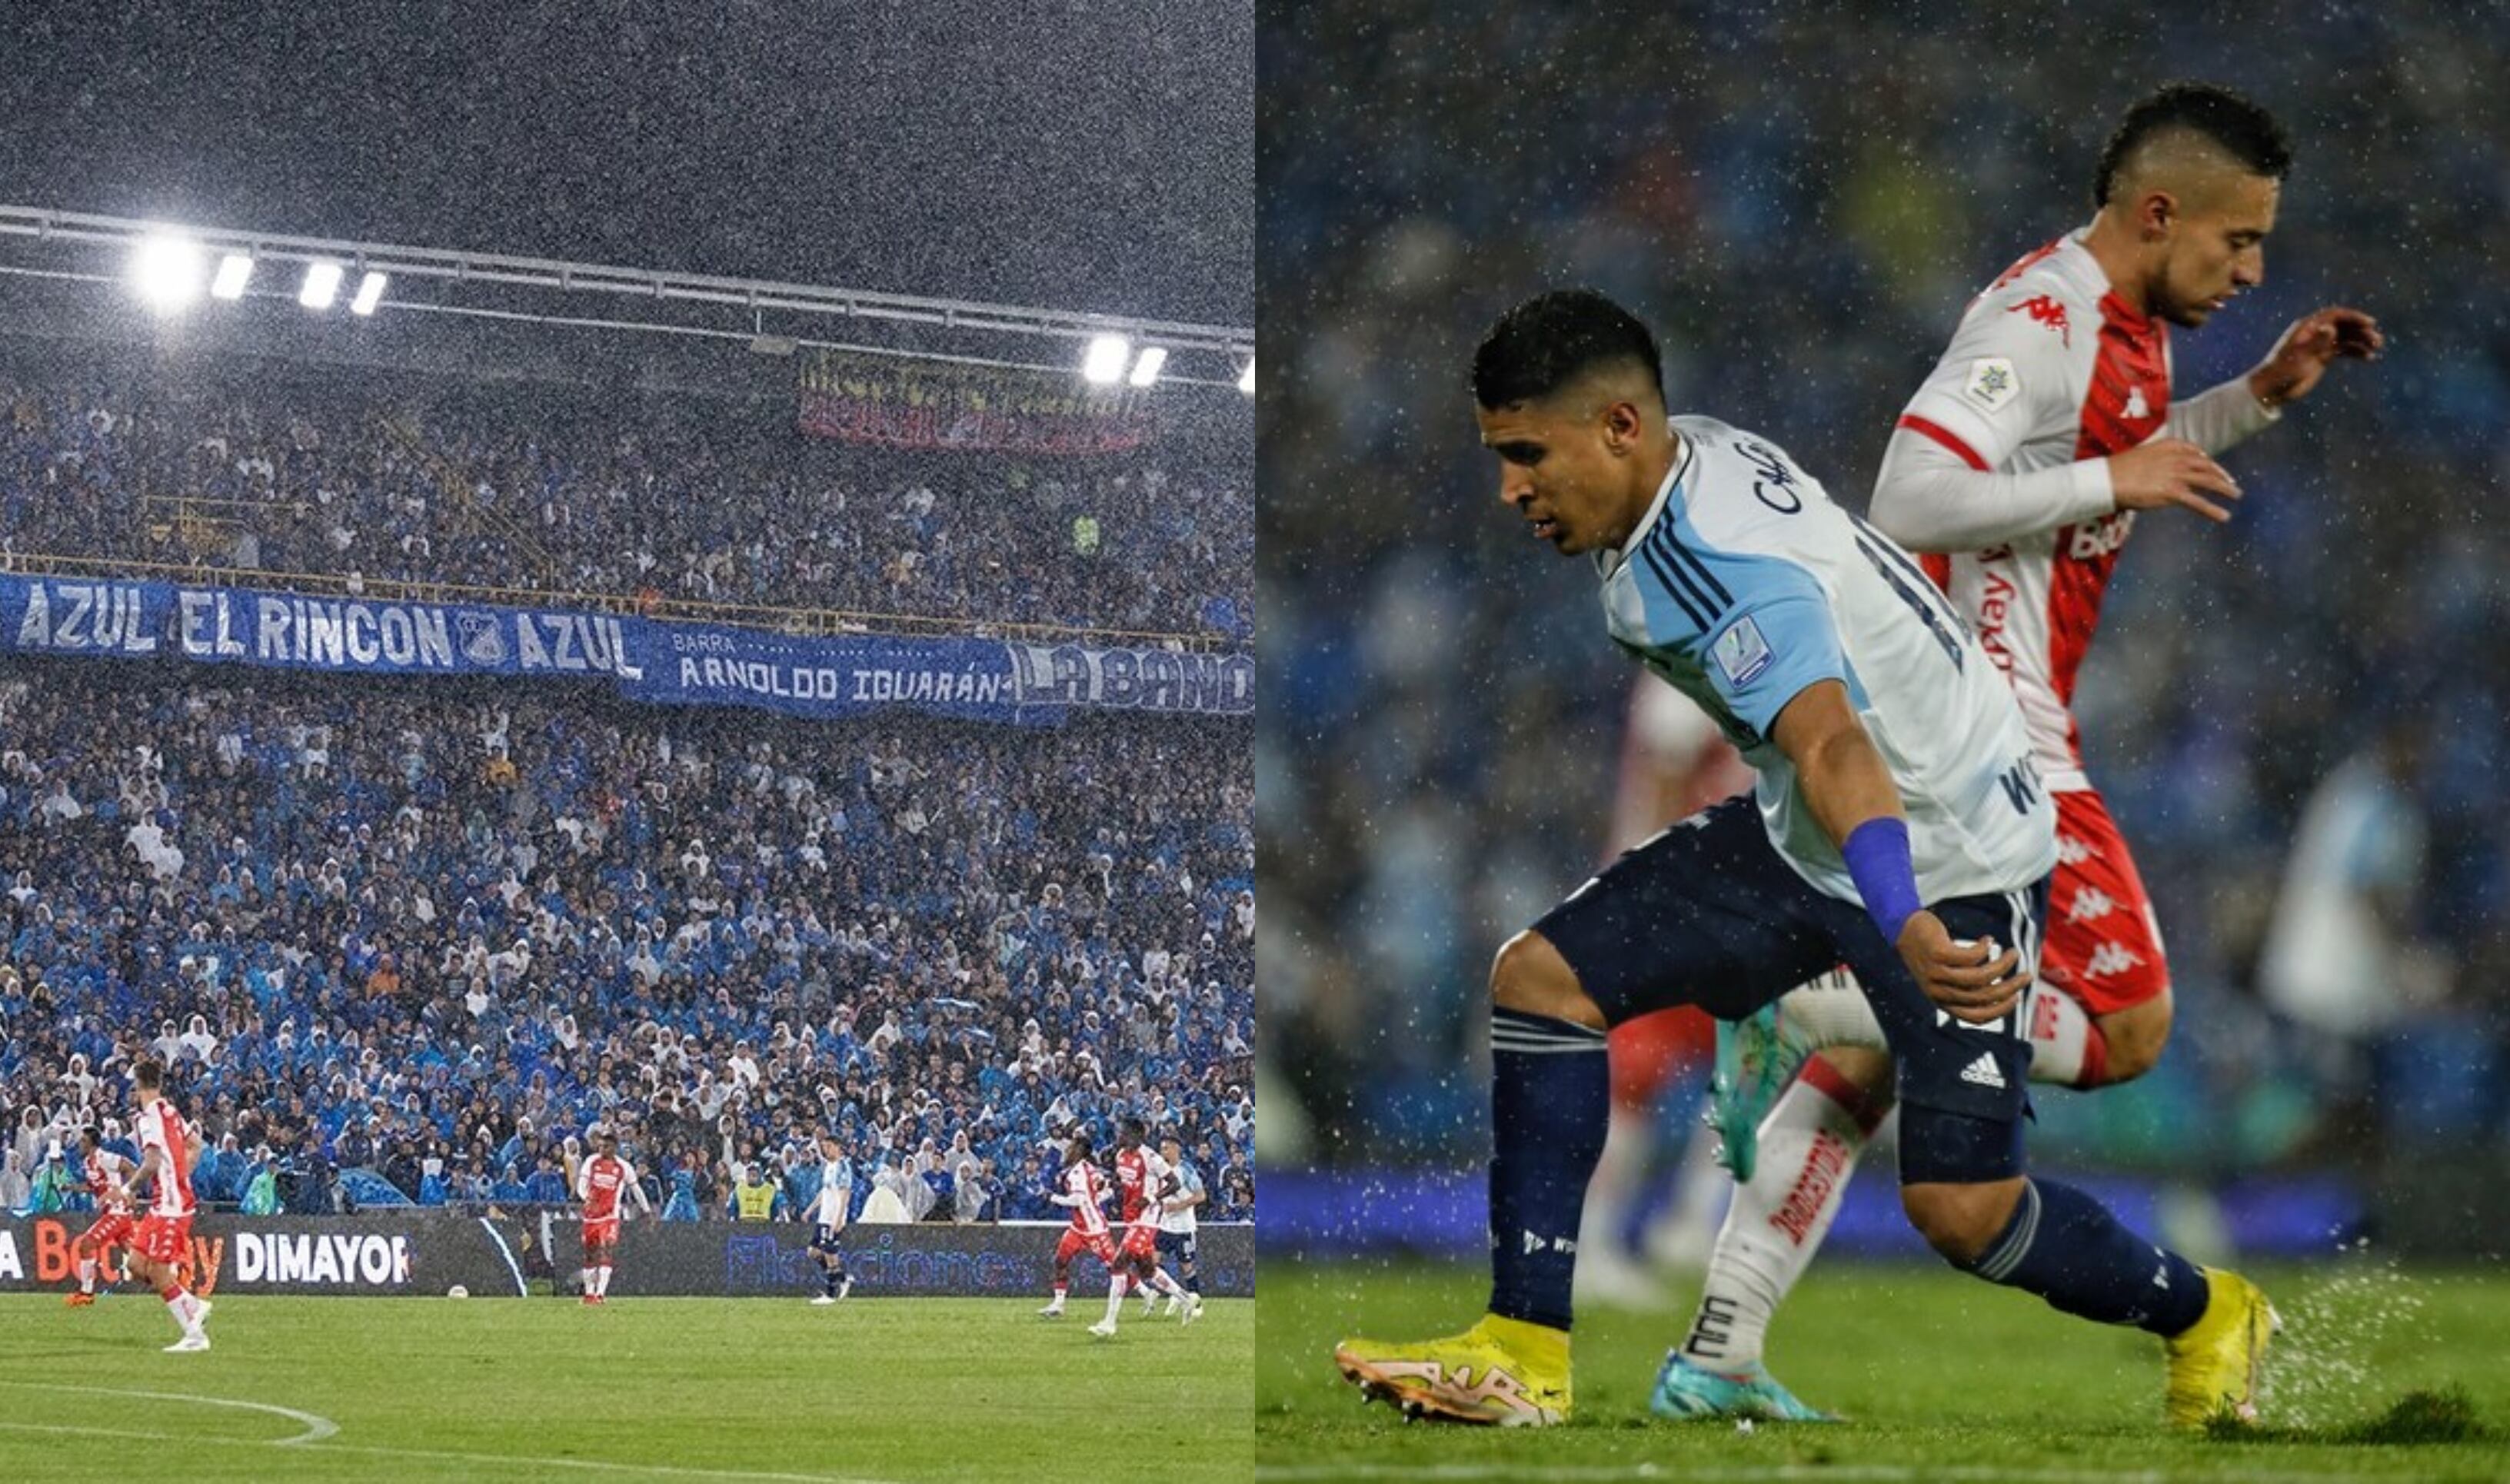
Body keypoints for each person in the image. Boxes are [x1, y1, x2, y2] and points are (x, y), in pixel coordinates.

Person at [1330, 290, 2272, 1429]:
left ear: (1623, 427)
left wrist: (1909, 921)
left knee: (1965, 1211)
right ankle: (1525, 1350)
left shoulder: (1713, 562)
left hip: (1949, 854)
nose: (1511, 488)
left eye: (1528, 454)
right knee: (1542, 978)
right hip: (1808, 828)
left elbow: (1835, 741)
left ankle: (2211, 1310)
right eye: (1499, 455)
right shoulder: (1691, 460)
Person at [1657, 81, 2379, 1422]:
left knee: (1882, 1069)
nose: (2251, 268)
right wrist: (2115, 481)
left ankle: (1718, 1346)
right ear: (2156, 213)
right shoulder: (2039, 322)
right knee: (2124, 1026)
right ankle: (1813, 995)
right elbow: (1906, 490)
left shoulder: (2133, 331)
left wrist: (2254, 401)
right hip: (1992, 745)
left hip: (1984, 725)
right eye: (2235, 242)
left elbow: (2128, 460)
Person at [118, 1060, 212, 1352]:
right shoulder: (171, 1111)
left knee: (158, 1272)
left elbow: (152, 1163)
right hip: (164, 1203)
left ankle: (195, 1336)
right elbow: (195, 1144)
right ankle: (192, 1304)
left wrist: (127, 1188)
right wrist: (181, 1175)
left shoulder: (146, 1119)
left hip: (172, 1206)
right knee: (135, 1264)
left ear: (137, 1086)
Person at [1100, 1121, 1192, 1336]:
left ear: (1135, 1135)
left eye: (1123, 1132)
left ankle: (1109, 1323)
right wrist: (1107, 1185)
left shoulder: (1151, 1158)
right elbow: (1123, 1181)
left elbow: (1175, 1184)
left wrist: (1150, 1198)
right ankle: (1186, 1300)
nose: (1119, 1136)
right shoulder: (1121, 1155)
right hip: (1132, 1216)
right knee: (1147, 1270)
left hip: (1148, 1218)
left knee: (1118, 1264)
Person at [1036, 1130, 1114, 1319]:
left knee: (1115, 1268)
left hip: (1094, 1228)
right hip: (1079, 1227)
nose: (1068, 1150)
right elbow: (1107, 1191)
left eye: (1072, 1146)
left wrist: (1052, 1197)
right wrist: (1097, 1198)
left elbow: (1077, 1200)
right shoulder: (1090, 1169)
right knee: (1060, 1260)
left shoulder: (1078, 1172)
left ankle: (1145, 1291)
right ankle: (1058, 1304)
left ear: (1079, 1150)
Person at [65, 1125, 140, 1307]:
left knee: (86, 1244)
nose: (79, 1144)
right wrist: (71, 1187)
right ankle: (173, 1277)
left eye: (83, 1140)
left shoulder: (104, 1157)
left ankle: (86, 1292)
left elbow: (131, 1168)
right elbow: (93, 1187)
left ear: (92, 1143)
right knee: (136, 1260)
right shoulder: (88, 1163)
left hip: (117, 1212)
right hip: (115, 1213)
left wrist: (129, 1193)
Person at [576, 1126, 651, 1305]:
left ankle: (600, 1294)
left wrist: (646, 1210)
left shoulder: (623, 1167)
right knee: (589, 1255)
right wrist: (586, 1198)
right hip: (590, 1216)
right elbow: (582, 1184)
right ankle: (589, 1294)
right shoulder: (591, 1162)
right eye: (601, 1146)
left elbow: (636, 1190)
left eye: (607, 1147)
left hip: (610, 1216)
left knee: (606, 1250)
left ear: (615, 1148)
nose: (602, 1150)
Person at [1153, 1133, 1207, 1322]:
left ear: (1176, 1149)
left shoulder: (1186, 1170)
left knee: (1187, 1267)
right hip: (1165, 1225)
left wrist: (1178, 1206)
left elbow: (1201, 1196)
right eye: (1161, 1148)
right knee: (1153, 1263)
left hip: (1184, 1227)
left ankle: (1197, 1302)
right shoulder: (1160, 1170)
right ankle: (1177, 1294)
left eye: (1166, 1148)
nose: (1162, 1151)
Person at [808, 1132, 856, 1306]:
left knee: (830, 1256)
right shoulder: (828, 1166)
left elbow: (845, 1193)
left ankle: (830, 1294)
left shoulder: (843, 1166)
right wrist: (810, 1209)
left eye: (828, 1147)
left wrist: (838, 1219)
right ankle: (843, 1278)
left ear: (837, 1147)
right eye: (823, 1147)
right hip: (824, 1217)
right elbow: (825, 1191)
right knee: (813, 1252)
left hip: (833, 1218)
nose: (825, 1150)